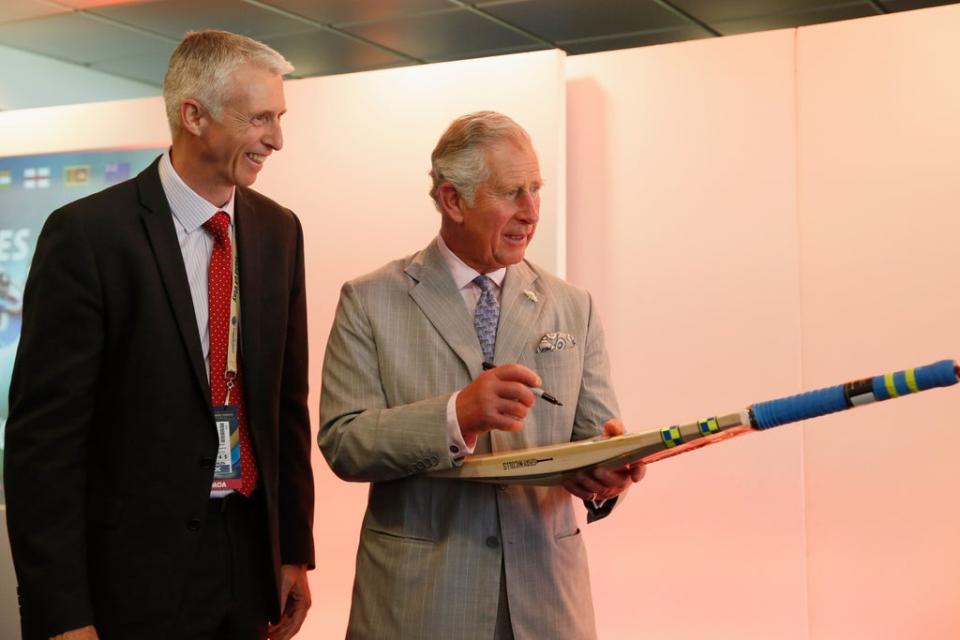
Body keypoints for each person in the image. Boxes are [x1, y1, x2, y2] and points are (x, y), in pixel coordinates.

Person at [4, 30, 314, 640]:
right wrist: (63, 614)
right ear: (192, 115)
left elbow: (286, 406)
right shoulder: (88, 236)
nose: (276, 139)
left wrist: (292, 550)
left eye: (277, 118)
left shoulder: (279, 231)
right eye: (259, 119)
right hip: (132, 579)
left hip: (247, 561)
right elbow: (46, 446)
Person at [319, 111, 644, 639]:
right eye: (511, 192)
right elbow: (344, 442)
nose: (531, 211)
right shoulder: (370, 300)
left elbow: (592, 437)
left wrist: (604, 477)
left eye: (536, 189)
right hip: (419, 608)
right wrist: (456, 416)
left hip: (546, 608)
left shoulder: (573, 307)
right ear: (453, 200)